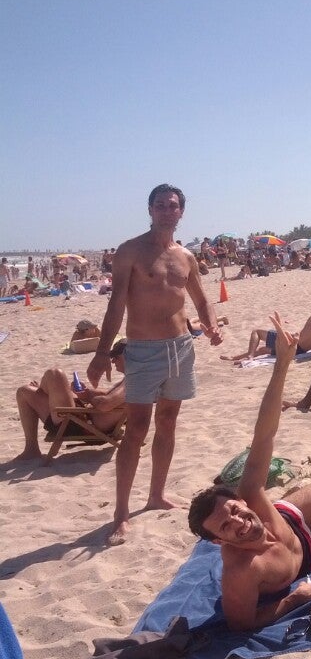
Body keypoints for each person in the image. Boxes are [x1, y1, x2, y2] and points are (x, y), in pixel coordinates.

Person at [188, 314, 311, 631]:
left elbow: (263, 436)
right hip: (305, 557)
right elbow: (240, 625)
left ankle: (307, 511)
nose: (240, 521)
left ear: (241, 501)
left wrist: (283, 363)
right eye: (227, 527)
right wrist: (293, 600)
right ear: (217, 542)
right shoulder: (242, 571)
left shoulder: (251, 497)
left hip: (287, 516)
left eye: (236, 510)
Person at [87, 184, 224, 545]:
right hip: (143, 350)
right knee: (136, 429)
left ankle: (156, 494)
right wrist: (102, 353)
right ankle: (120, 512)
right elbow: (115, 304)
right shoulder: (131, 251)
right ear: (149, 209)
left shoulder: (186, 257)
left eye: (173, 205)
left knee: (167, 421)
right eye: (160, 205)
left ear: (182, 212)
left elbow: (201, 300)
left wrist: (210, 325)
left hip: (180, 347)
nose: (167, 210)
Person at [16, 340, 127, 463]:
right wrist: (87, 392)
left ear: (130, 356)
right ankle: (31, 449)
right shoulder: (129, 380)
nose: (113, 361)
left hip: (81, 424)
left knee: (54, 373)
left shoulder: (132, 383)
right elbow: (108, 395)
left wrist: (88, 396)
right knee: (23, 391)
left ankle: (44, 391)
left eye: (116, 356)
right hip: (80, 418)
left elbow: (105, 404)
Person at [220, 298, 311, 364]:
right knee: (263, 350)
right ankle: (235, 358)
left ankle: (249, 356)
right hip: (297, 350)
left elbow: (309, 331)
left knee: (257, 332)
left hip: (292, 341)